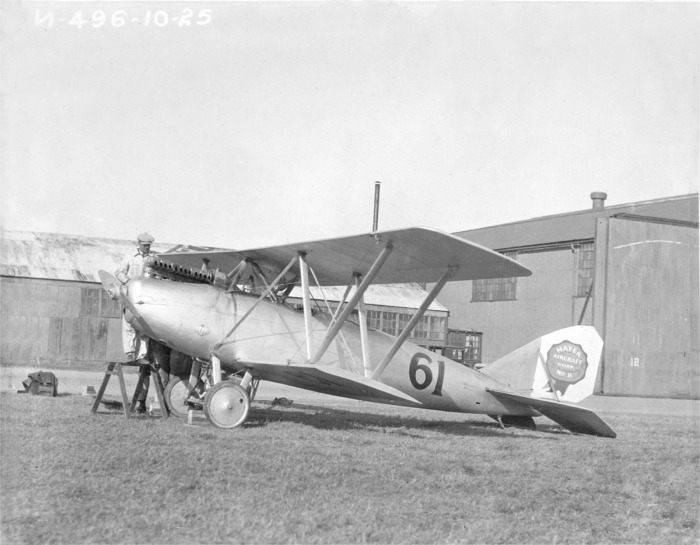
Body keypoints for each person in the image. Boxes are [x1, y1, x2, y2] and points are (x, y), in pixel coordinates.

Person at [116, 232, 158, 413]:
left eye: (149, 245)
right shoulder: (129, 257)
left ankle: (142, 355)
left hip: (145, 299)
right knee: (128, 326)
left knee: (143, 331)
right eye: (144, 244)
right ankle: (130, 352)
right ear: (138, 244)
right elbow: (118, 272)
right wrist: (129, 281)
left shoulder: (154, 259)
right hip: (130, 296)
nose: (146, 247)